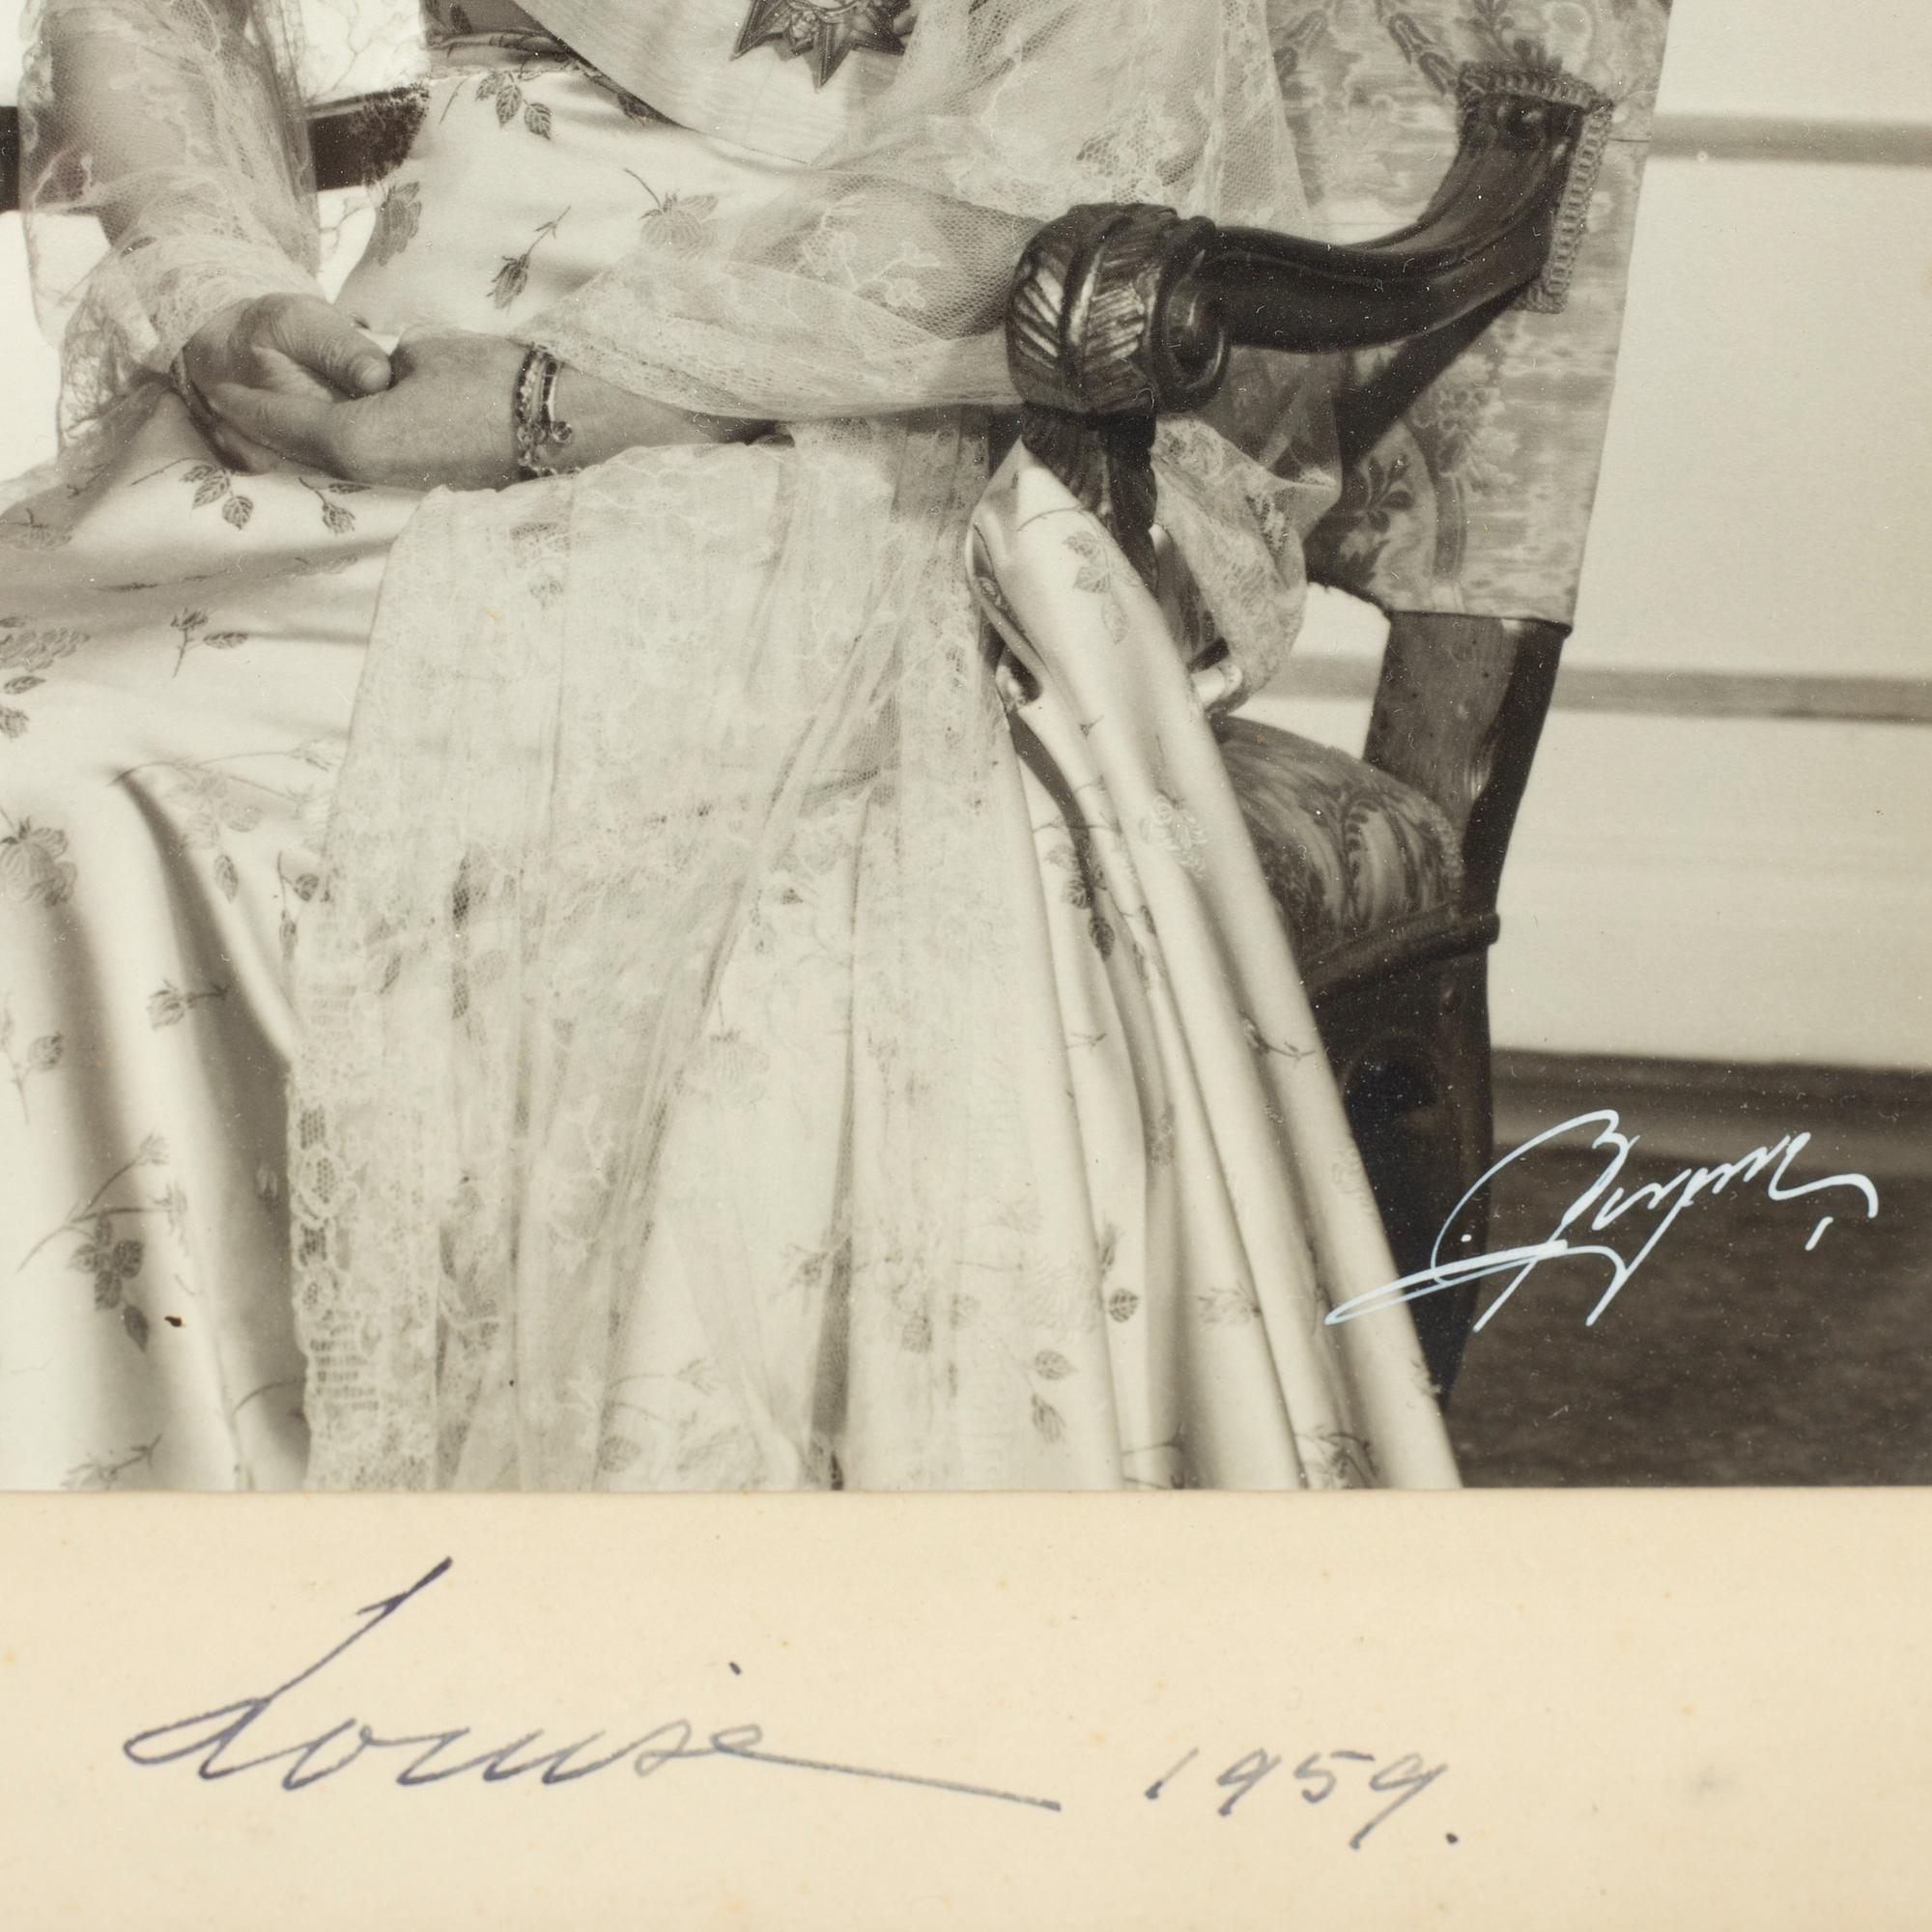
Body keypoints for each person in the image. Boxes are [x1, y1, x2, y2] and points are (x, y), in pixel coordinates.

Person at [0, 0, 1458, 1492]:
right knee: (32, 759)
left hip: (842, 419)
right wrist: (226, 291)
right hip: (355, 395)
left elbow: (1065, 144)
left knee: (198, 820)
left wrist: (551, 408)